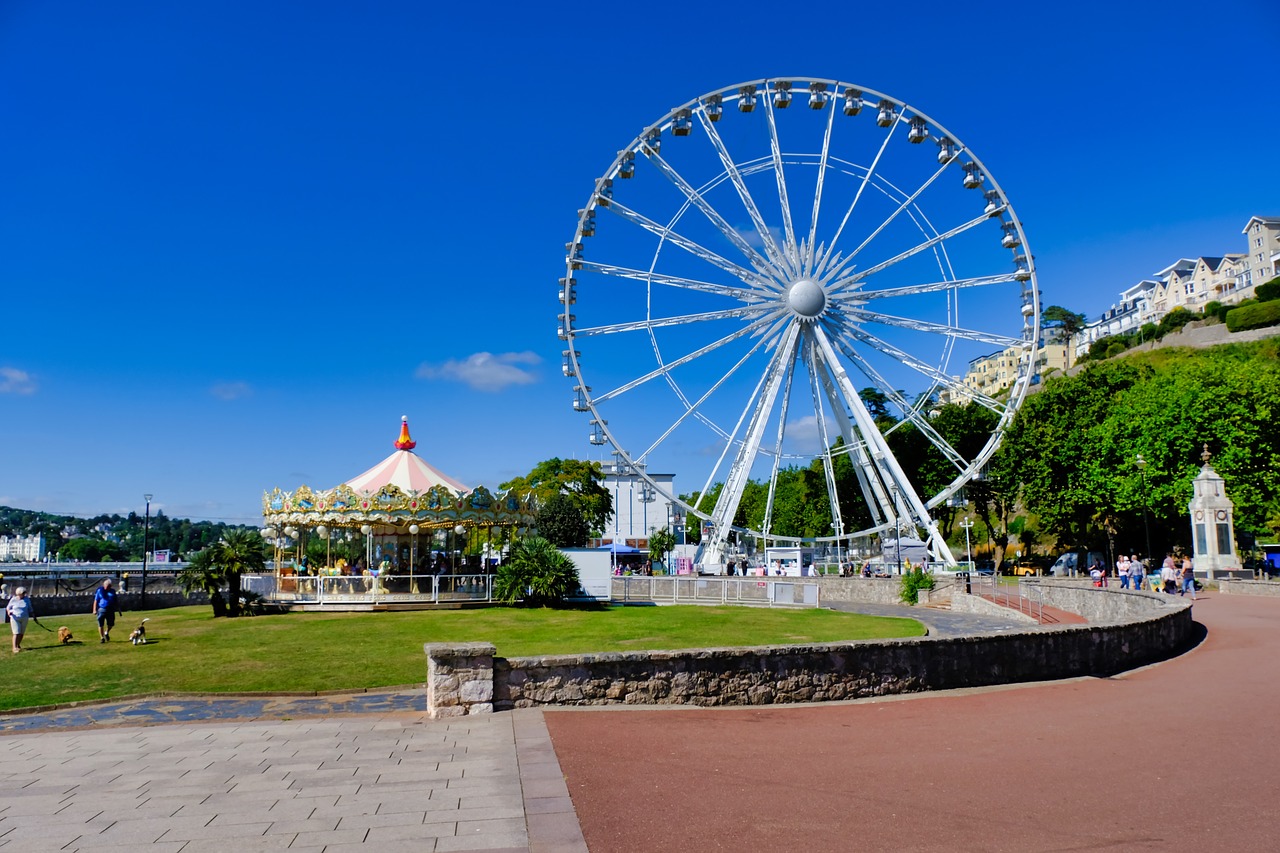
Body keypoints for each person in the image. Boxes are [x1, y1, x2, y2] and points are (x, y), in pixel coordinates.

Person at [93, 578, 120, 642]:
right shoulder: (100, 591)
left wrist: (118, 609)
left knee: (111, 624)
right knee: (100, 624)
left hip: (110, 609)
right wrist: (94, 609)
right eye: (105, 586)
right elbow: (96, 600)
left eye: (108, 587)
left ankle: (106, 632)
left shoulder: (112, 591)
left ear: (110, 586)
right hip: (102, 609)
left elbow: (116, 600)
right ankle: (102, 638)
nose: (106, 588)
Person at [7, 587, 31, 653]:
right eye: (23, 593)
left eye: (25, 593)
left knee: (21, 633)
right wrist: (9, 612)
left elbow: (30, 607)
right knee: (16, 633)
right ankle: (14, 647)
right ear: (19, 593)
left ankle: (18, 645)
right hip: (15, 618)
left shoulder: (27, 599)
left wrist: (33, 614)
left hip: (24, 618)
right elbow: (8, 607)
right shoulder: (13, 599)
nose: (24, 594)